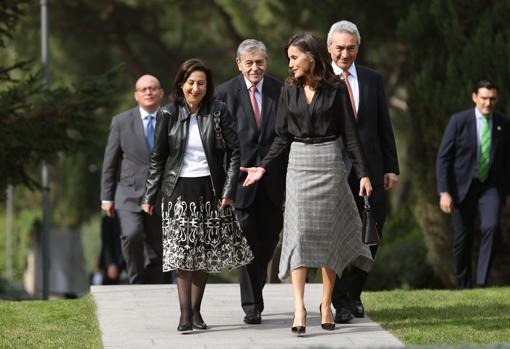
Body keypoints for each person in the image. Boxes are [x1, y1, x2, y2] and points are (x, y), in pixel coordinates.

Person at [241, 32, 373, 335]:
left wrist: (363, 173)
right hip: (298, 165)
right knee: (299, 235)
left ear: (311, 57)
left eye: (294, 57)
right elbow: (281, 136)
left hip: (329, 163)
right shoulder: (289, 91)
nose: (289, 64)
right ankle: (299, 307)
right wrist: (262, 167)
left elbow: (350, 136)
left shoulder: (337, 90)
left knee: (328, 236)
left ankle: (326, 303)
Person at [141, 58, 253, 332]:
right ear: (181, 84)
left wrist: (229, 190)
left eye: (201, 83)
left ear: (207, 86)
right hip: (178, 191)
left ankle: (196, 311)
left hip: (209, 191)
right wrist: (148, 195)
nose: (195, 88)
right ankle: (184, 316)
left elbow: (235, 151)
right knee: (181, 254)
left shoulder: (218, 111)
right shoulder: (168, 114)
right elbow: (158, 158)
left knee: (202, 255)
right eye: (190, 83)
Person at [326, 20, 400, 323]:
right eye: (340, 48)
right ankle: (339, 300)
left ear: (358, 48)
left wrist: (391, 166)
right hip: (333, 170)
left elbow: (384, 124)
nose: (345, 53)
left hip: (372, 169)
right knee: (339, 236)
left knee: (372, 233)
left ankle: (354, 292)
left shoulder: (372, 79)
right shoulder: (320, 80)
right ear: (330, 48)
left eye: (351, 48)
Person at [216, 39, 286, 325]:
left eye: (260, 62)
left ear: (266, 63)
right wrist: (224, 185)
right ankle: (252, 305)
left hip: (272, 180)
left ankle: (255, 290)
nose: (255, 68)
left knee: (268, 241)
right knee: (245, 238)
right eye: (250, 63)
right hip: (240, 182)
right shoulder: (224, 93)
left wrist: (268, 167)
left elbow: (285, 135)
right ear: (239, 64)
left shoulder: (280, 90)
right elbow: (219, 143)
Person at [436, 80, 510, 289]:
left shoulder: (503, 123)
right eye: (484, 98)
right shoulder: (459, 121)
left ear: (497, 99)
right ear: (474, 97)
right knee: (463, 237)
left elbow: (507, 161)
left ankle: (481, 282)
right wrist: (444, 191)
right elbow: (444, 158)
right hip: (461, 187)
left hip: (490, 186)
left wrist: (507, 191)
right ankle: (463, 285)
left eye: (492, 99)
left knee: (492, 227)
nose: (488, 103)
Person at [100, 74, 169, 285]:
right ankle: (137, 280)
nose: (148, 92)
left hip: (161, 194)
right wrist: (107, 197)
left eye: (152, 88)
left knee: (159, 248)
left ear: (160, 93)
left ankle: (158, 286)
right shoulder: (121, 122)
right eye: (143, 89)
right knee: (131, 235)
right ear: (136, 95)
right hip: (129, 193)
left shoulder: (171, 119)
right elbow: (110, 162)